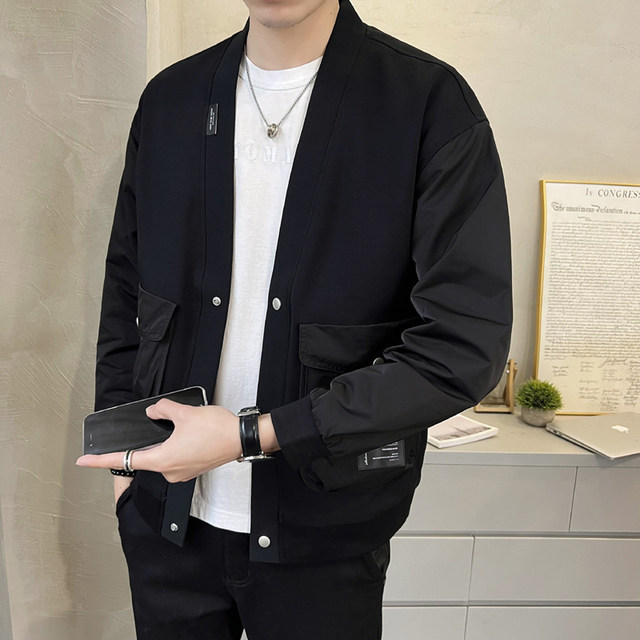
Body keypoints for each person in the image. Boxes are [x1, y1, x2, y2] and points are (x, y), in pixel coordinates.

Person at [76, 0, 512, 638]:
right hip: (166, 527)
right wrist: (123, 471)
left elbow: (462, 347)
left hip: (326, 538)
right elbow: (126, 294)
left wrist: (251, 436)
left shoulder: (426, 104)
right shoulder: (171, 99)